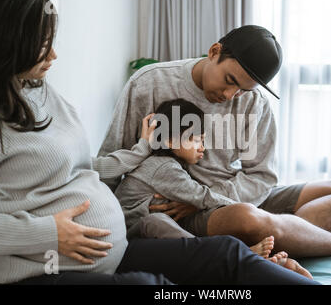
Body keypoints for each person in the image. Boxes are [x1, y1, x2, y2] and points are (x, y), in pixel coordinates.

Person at [0, 0, 319, 285]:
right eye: (42, 45)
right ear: (7, 43)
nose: (54, 55)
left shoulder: (42, 92)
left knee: (226, 253)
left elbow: (87, 167)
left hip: (110, 250)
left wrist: (142, 149)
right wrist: (46, 233)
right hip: (41, 269)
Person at [98, 25, 331, 258]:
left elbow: (262, 176)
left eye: (243, 89)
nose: (231, 95)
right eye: (229, 81)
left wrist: (214, 199)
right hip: (182, 210)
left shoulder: (254, 104)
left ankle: (306, 240)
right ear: (214, 52)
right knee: (248, 219)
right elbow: (113, 158)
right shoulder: (150, 83)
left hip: (224, 199)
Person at [113, 98, 313, 279]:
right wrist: (246, 209)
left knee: (164, 223)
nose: (202, 147)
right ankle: (221, 254)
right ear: (170, 141)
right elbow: (203, 196)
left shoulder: (169, 166)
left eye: (202, 139)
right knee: (155, 221)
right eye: (195, 139)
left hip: (151, 240)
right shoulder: (163, 168)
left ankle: (229, 256)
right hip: (133, 237)